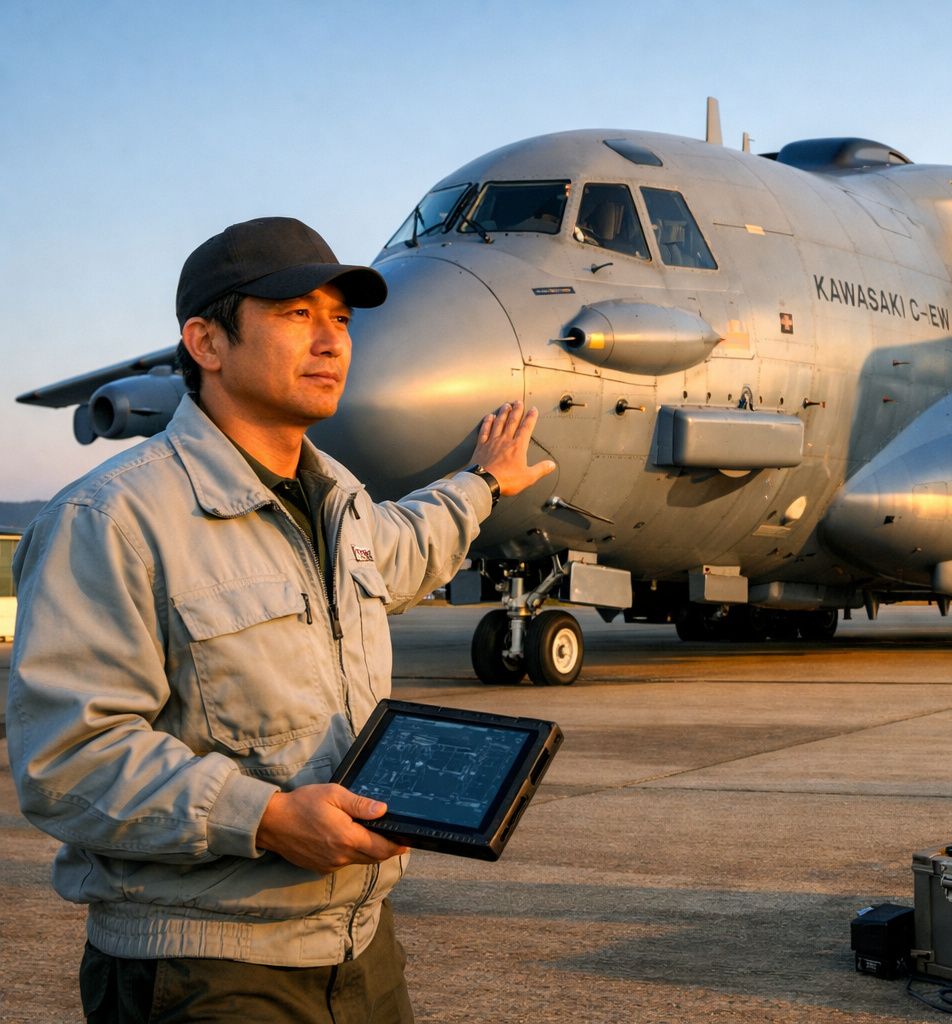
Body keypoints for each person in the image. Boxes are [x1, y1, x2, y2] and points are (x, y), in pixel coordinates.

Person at [6, 216, 556, 1023]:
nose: (332, 341)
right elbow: (67, 761)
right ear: (207, 342)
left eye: (340, 318)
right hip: (205, 969)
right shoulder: (113, 520)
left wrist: (484, 483)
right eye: (297, 315)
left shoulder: (338, 502)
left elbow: (406, 548)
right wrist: (263, 818)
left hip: (362, 950)